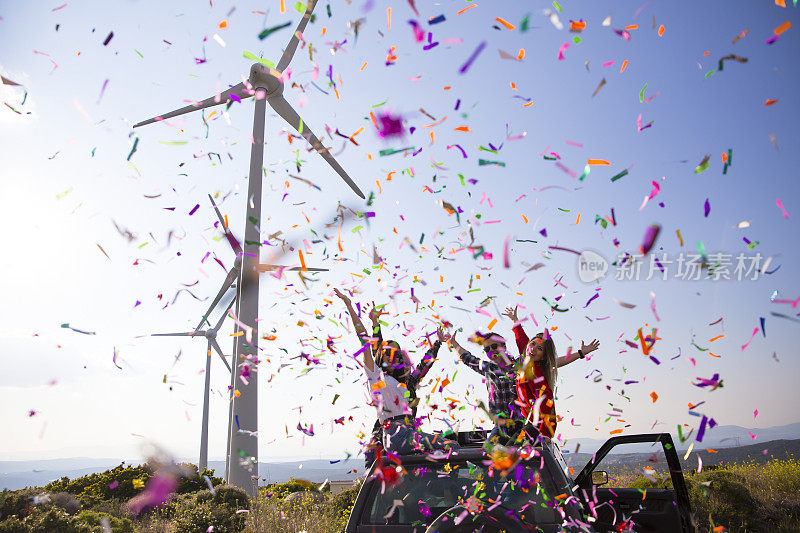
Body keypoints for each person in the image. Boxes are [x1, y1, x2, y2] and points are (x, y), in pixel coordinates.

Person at [334, 288, 459, 458]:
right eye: (388, 353)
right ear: (381, 358)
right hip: (394, 434)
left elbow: (424, 364)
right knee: (452, 447)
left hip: (408, 432)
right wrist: (350, 306)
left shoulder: (406, 381)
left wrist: (437, 343)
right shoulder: (378, 377)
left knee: (449, 448)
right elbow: (366, 340)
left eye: (397, 354)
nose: (393, 356)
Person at [502, 306, 600, 440]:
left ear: (543, 357)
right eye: (533, 344)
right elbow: (521, 337)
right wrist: (515, 320)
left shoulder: (537, 374)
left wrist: (547, 433)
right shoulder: (526, 358)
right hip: (528, 422)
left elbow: (547, 401)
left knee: (510, 456)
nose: (534, 348)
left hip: (537, 427)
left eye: (540, 348)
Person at [447, 329, 524, 444]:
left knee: (517, 453)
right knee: (487, 453)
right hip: (500, 427)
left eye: (494, 346)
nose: (491, 351)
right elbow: (466, 358)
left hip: (521, 425)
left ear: (504, 346)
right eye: (487, 349)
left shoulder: (519, 365)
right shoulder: (488, 369)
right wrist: (452, 342)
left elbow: (537, 356)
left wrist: (516, 323)